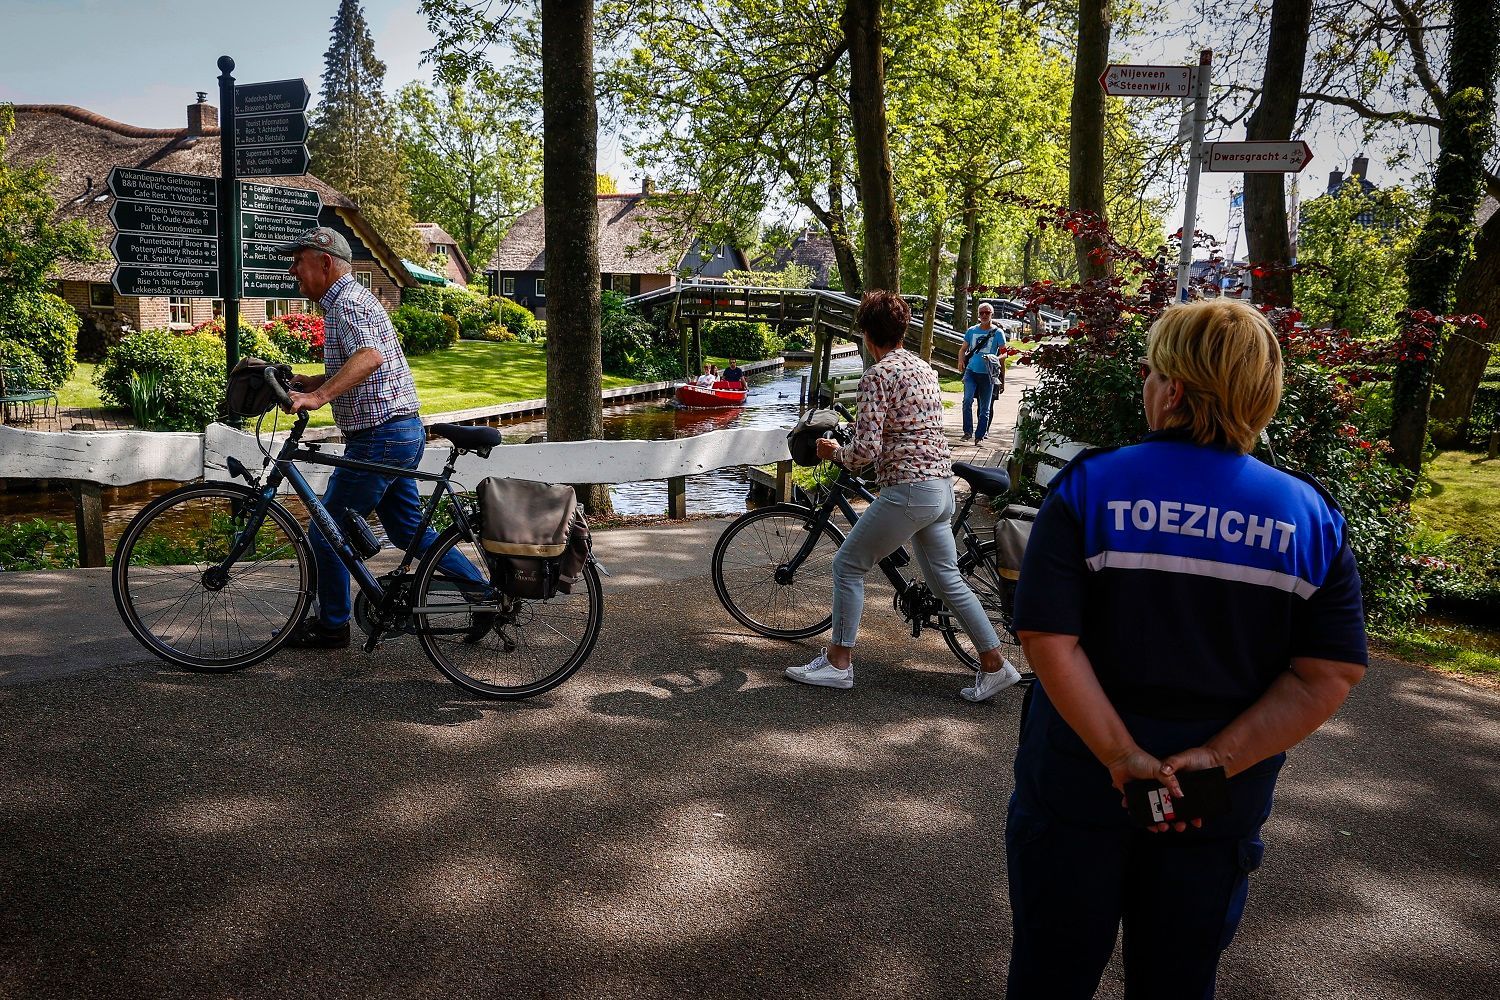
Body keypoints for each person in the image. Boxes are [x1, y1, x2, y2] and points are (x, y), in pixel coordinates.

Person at [1004, 298, 1368, 999]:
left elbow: (1048, 636)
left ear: (1170, 388)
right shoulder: (1308, 517)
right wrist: (1214, 760)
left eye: (1148, 370)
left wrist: (1121, 756)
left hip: (1081, 784)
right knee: (1179, 979)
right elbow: (1329, 672)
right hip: (1210, 801)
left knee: (1052, 971)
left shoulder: (1092, 488)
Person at [785, 290, 1023, 701]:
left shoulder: (876, 375)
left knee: (847, 565)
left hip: (909, 491)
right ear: (904, 329)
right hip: (940, 488)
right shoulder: (923, 368)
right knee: (947, 580)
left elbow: (864, 453)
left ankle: (839, 662)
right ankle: (996, 664)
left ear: (865, 334)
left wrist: (833, 452)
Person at [274, 226, 488, 649]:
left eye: (298, 260)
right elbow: (366, 363)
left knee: (327, 529)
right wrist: (308, 379)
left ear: (325, 262)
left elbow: (370, 358)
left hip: (381, 436)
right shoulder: (346, 302)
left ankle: (332, 625)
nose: (293, 269)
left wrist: (318, 396)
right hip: (396, 432)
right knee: (407, 529)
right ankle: (480, 593)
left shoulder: (347, 303)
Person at [958, 301, 1005, 444]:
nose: (984, 315)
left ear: (992, 314)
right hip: (971, 371)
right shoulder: (972, 330)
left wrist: (995, 358)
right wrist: (961, 361)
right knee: (967, 401)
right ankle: (967, 431)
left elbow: (1005, 354)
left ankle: (980, 435)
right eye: (981, 313)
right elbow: (963, 349)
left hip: (988, 374)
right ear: (978, 315)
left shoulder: (998, 333)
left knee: (985, 407)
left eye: (987, 313)